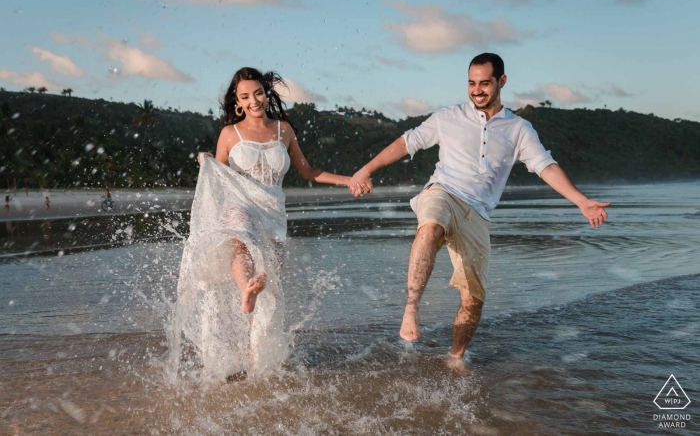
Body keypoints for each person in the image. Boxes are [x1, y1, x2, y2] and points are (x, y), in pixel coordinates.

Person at [348, 53, 610, 363]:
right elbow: (407, 142)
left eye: (485, 83)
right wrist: (366, 169)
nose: (477, 90)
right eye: (471, 83)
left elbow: (545, 166)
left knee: (472, 301)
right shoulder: (448, 117)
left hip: (479, 213)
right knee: (430, 225)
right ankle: (411, 307)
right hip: (444, 191)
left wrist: (581, 200)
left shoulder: (519, 129)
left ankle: (456, 357)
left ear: (501, 81)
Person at [171, 67, 360, 381]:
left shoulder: (283, 130)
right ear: (238, 102)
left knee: (270, 288)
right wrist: (204, 161)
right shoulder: (230, 134)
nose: (253, 100)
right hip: (238, 204)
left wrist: (349, 180)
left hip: (272, 214)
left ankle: (256, 362)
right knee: (240, 242)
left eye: (258, 93)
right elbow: (218, 177)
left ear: (266, 94)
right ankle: (247, 288)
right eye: (245, 96)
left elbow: (309, 172)